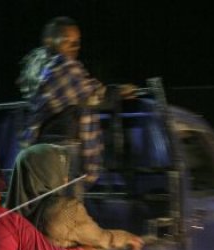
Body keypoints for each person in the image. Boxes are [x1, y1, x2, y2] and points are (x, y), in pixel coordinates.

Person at [18, 16, 136, 183]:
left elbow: (82, 91)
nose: (75, 46)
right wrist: (117, 93)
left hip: (41, 148)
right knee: (66, 205)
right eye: (67, 40)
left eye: (77, 41)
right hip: (62, 148)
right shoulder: (63, 68)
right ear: (49, 41)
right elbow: (91, 96)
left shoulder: (37, 69)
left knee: (48, 203)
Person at [6, 143, 144, 250]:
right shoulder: (65, 211)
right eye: (60, 170)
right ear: (50, 173)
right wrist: (127, 238)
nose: (66, 178)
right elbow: (101, 238)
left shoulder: (3, 215)